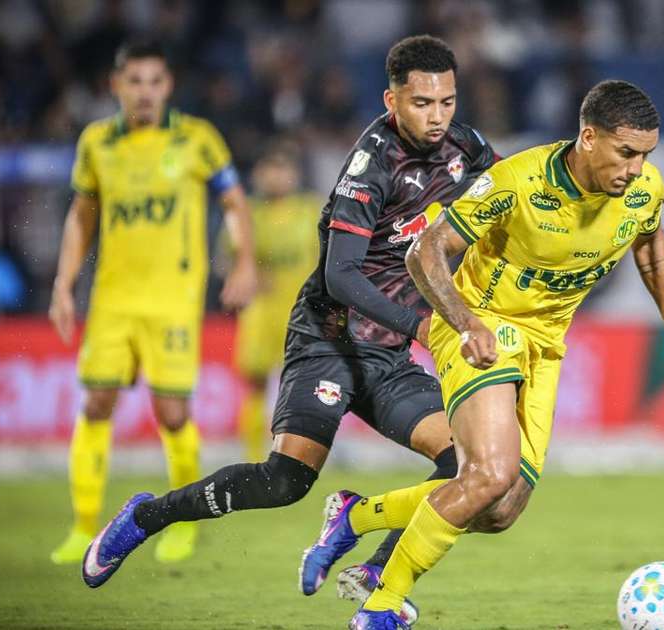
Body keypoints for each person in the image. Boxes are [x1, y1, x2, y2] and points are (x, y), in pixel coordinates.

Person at [80, 36, 497, 627]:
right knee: (284, 482)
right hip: (328, 340)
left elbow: (517, 194)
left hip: (387, 354)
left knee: (467, 465)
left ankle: (377, 570)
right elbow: (342, 275)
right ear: (392, 99)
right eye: (423, 103)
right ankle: (146, 517)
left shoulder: (465, 146)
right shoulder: (371, 165)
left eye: (447, 102)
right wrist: (424, 323)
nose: (437, 117)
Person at [296, 79, 664, 629]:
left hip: (546, 347)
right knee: (487, 475)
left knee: (499, 509)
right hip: (483, 327)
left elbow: (649, 242)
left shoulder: (642, 187)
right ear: (588, 137)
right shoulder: (516, 183)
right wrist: (462, 321)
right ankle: (381, 608)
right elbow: (424, 251)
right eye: (626, 153)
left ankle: (359, 516)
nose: (637, 168)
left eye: (646, 155)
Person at [47, 40, 258, 566]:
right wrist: (63, 281)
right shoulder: (97, 142)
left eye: (155, 81)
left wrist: (245, 259)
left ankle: (181, 523)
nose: (145, 92)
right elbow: (82, 215)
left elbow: (233, 202)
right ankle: (81, 527)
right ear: (116, 85)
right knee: (96, 403)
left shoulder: (197, 139)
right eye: (134, 81)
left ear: (169, 86)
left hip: (172, 302)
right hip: (113, 298)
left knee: (171, 412)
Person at [219, 141, 321, 464]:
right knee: (257, 385)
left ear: (294, 174)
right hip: (261, 313)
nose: (276, 177)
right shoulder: (247, 212)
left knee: (307, 387)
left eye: (282, 170)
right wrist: (243, 273)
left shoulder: (311, 209)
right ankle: (252, 458)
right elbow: (225, 261)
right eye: (270, 171)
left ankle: (304, 456)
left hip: (304, 313)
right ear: (259, 175)